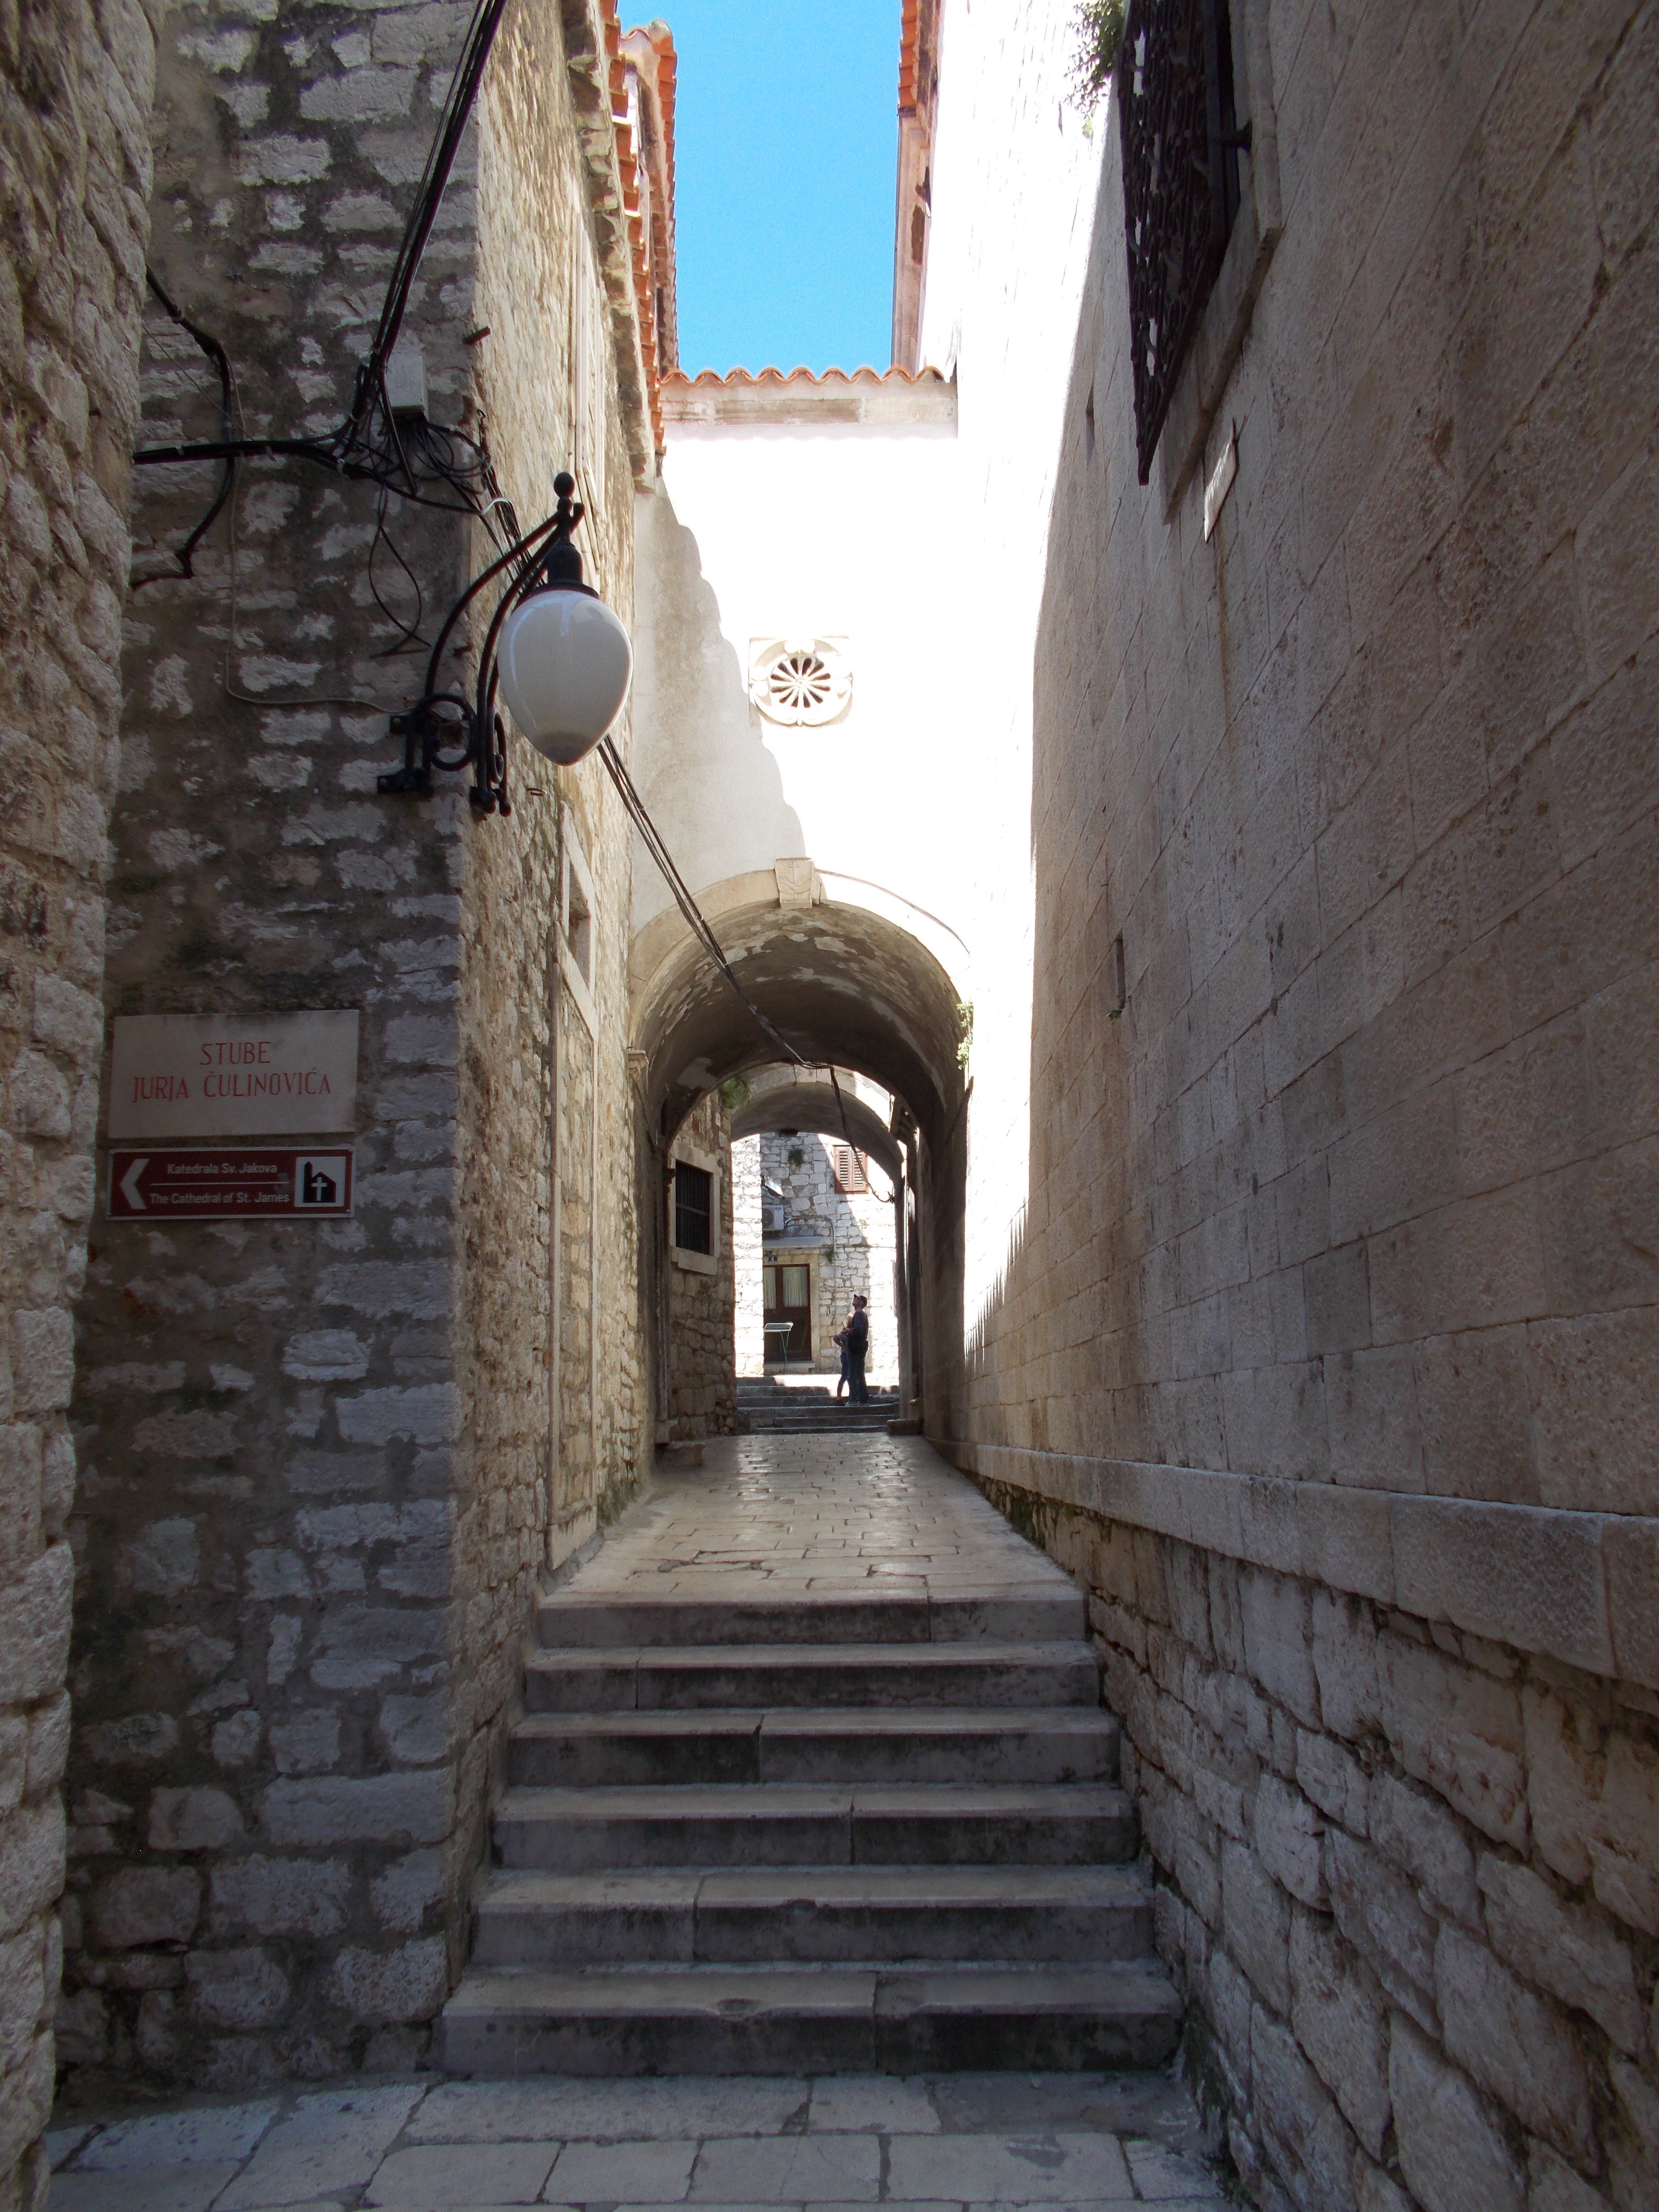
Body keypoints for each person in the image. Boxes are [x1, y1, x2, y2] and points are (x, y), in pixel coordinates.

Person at [843, 1294, 870, 1405]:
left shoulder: (859, 1314)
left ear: (861, 1303)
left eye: (857, 1299)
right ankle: (863, 1400)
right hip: (860, 1347)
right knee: (859, 1373)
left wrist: (848, 1331)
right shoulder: (861, 1314)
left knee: (853, 1374)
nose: (854, 1299)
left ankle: (854, 1399)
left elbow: (858, 1329)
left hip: (856, 1347)